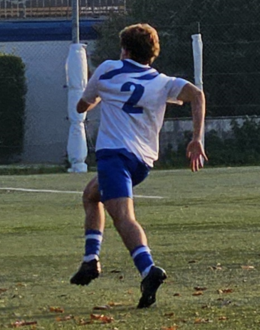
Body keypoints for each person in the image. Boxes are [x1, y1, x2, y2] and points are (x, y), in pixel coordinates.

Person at [70, 23, 206, 309]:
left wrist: (99, 96)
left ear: (125, 50)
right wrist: (196, 138)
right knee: (91, 195)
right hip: (142, 162)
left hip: (114, 156)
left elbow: (82, 106)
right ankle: (90, 259)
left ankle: (148, 269)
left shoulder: (108, 69)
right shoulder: (162, 81)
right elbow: (197, 94)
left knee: (122, 217)